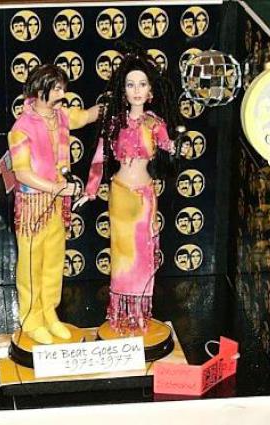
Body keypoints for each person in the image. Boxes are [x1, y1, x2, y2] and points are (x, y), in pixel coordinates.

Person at [75, 48, 184, 333]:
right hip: (120, 195)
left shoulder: (156, 124)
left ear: (150, 91)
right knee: (122, 256)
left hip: (144, 196)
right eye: (131, 84)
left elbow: (169, 148)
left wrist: (176, 146)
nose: (136, 90)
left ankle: (140, 314)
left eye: (142, 84)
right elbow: (99, 158)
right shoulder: (114, 123)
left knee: (144, 256)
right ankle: (121, 314)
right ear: (123, 90)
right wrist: (89, 190)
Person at [8, 64, 99, 344]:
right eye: (57, 89)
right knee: (31, 265)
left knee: (53, 262)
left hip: (57, 207)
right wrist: (56, 188)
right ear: (39, 90)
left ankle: (49, 313)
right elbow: (22, 173)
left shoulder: (61, 116)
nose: (62, 94)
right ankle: (31, 319)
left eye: (63, 88)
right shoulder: (21, 128)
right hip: (33, 206)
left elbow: (87, 116)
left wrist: (116, 100)